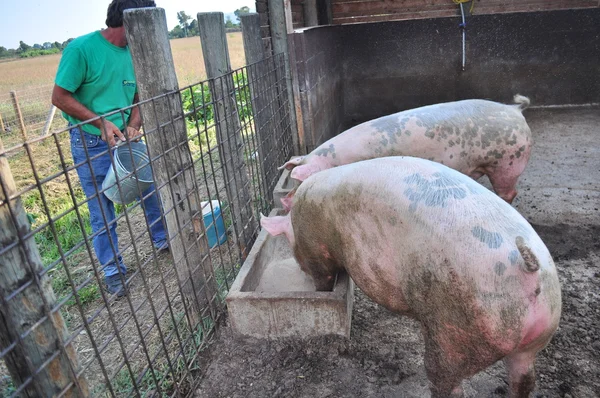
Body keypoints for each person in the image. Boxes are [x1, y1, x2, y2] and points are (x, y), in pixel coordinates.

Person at [52, 0, 167, 297]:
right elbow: (60, 97)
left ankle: (162, 238)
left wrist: (134, 122)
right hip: (91, 140)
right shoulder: (81, 49)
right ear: (129, 21)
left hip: (125, 137)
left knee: (148, 188)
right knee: (101, 208)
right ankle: (113, 271)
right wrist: (101, 123)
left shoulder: (136, 52)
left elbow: (141, 93)